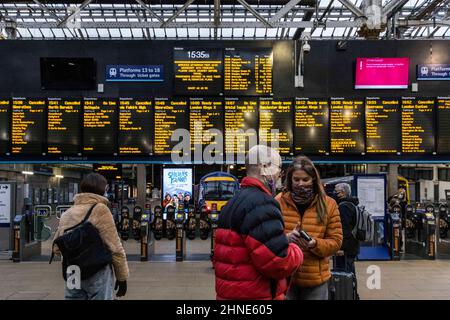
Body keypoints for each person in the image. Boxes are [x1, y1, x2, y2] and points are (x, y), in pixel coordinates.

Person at [213, 145, 304, 300]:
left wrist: (283, 240)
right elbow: (278, 262)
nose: (279, 175)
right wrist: (296, 250)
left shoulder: (232, 203)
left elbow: (240, 250)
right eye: (278, 168)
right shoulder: (262, 204)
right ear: (264, 167)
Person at [52, 173, 129, 300]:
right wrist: (122, 277)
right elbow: (115, 248)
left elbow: (56, 248)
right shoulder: (100, 209)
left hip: (72, 270)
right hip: (96, 270)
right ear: (102, 189)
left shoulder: (68, 213)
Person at [276, 156, 342, 300]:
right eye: (296, 179)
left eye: (305, 180)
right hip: (286, 278)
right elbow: (269, 239)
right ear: (290, 179)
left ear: (313, 179)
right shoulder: (279, 202)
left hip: (316, 281)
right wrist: (286, 238)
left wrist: (315, 244)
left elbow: (336, 242)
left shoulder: (329, 204)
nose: (300, 184)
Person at [334, 183, 360, 276]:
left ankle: (348, 290)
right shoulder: (352, 204)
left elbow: (345, 229)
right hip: (352, 244)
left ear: (342, 193)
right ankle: (351, 289)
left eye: (336, 192)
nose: (334, 194)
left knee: (345, 272)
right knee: (350, 270)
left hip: (346, 247)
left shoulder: (343, 207)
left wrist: (342, 248)